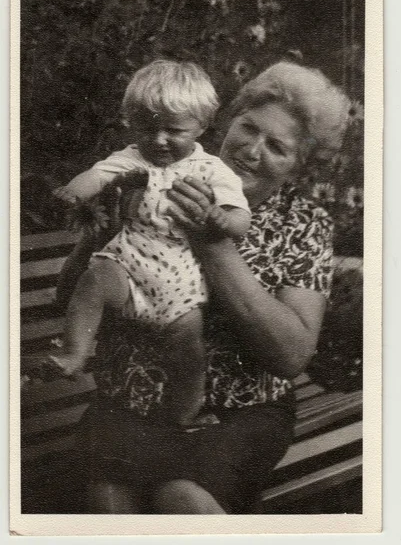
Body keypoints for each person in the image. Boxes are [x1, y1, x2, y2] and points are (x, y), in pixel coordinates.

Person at [63, 60, 351, 514]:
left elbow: (291, 356)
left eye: (277, 146)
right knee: (113, 505)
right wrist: (104, 232)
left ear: (298, 166)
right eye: (248, 127)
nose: (251, 150)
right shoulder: (149, 173)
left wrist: (215, 247)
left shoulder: (304, 224)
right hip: (129, 402)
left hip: (238, 413)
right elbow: (69, 299)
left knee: (182, 499)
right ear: (226, 122)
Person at [50, 59, 251, 426]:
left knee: (188, 354)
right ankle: (74, 353)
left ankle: (184, 415)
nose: (158, 140)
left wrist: (222, 219)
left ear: (202, 126)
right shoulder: (130, 160)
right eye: (147, 128)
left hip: (180, 281)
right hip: (127, 264)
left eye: (174, 131)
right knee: (93, 283)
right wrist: (73, 194)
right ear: (132, 122)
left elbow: (241, 219)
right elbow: (95, 177)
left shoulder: (210, 170)